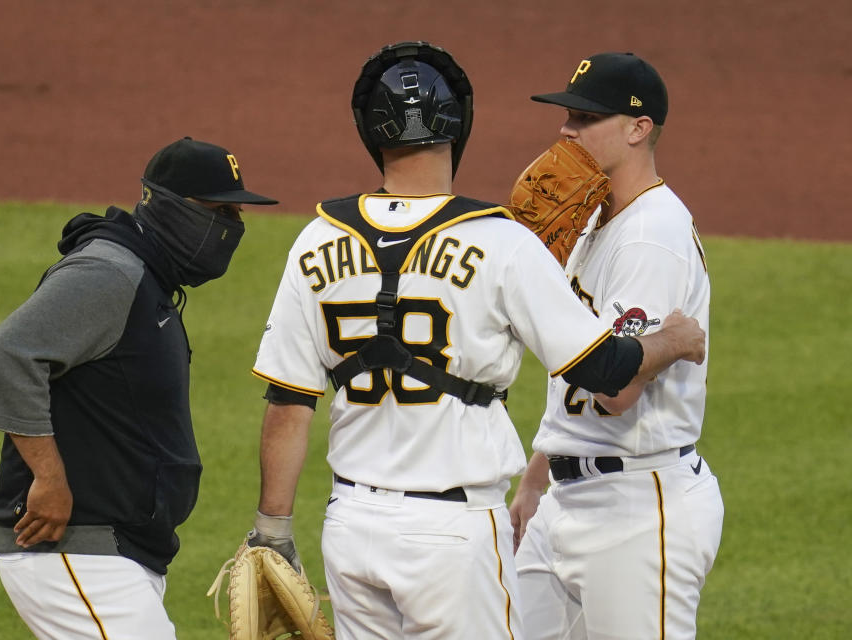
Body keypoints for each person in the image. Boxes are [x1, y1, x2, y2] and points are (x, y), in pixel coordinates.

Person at [245, 41, 706, 640]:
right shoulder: (502, 242)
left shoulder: (314, 240)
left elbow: (287, 403)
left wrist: (272, 530)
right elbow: (609, 371)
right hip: (453, 536)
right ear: (458, 129)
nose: (567, 133)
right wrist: (674, 340)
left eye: (586, 118)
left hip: (351, 526)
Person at [0, 137, 277, 639]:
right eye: (219, 210)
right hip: (72, 548)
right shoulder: (111, 271)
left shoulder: (148, 280)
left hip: (117, 552)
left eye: (238, 212)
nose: (233, 226)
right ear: (171, 206)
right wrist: (48, 478)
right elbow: (11, 353)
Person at [509, 52, 724, 639]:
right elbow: (573, 368)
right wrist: (538, 473)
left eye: (585, 118)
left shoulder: (652, 235)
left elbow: (616, 388)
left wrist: (674, 341)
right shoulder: (591, 222)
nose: (566, 130)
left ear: (638, 128)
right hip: (566, 495)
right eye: (567, 116)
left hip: (635, 506)